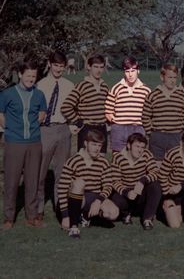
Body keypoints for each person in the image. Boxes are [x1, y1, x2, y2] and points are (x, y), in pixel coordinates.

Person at [0, 60, 47, 229]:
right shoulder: (8, 94)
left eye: (34, 76)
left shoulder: (39, 94)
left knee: (32, 181)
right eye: (28, 76)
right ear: (20, 74)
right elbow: (1, 113)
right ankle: (8, 218)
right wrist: (9, 128)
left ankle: (32, 216)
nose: (31, 79)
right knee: (11, 181)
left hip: (34, 143)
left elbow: (42, 113)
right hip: (14, 142)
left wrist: (35, 123)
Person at [57, 129, 119, 238]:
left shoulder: (103, 162)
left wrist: (98, 201)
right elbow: (62, 189)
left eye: (99, 146)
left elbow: (108, 185)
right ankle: (74, 226)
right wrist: (65, 215)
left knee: (113, 213)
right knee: (79, 182)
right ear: (85, 143)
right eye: (94, 144)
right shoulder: (73, 161)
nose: (97, 149)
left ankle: (86, 216)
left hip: (94, 196)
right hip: (76, 197)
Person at [36, 51, 75, 220]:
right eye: (55, 65)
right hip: (45, 130)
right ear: (49, 64)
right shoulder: (41, 84)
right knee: (40, 172)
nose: (58, 69)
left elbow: (75, 108)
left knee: (62, 172)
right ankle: (38, 209)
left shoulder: (69, 85)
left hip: (63, 129)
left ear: (65, 67)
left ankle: (61, 208)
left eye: (61, 66)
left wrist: (73, 125)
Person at [110, 133, 162, 230]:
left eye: (142, 147)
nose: (140, 150)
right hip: (126, 192)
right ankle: (126, 214)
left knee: (155, 185)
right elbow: (115, 181)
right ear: (128, 145)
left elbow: (155, 172)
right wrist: (126, 192)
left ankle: (147, 218)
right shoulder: (118, 157)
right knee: (116, 199)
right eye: (137, 146)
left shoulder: (146, 154)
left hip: (140, 190)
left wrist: (143, 180)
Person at [61, 54, 109, 153]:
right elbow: (66, 106)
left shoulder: (105, 86)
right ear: (88, 67)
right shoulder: (82, 86)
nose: (98, 70)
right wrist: (78, 121)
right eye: (95, 67)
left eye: (101, 67)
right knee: (85, 161)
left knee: (100, 161)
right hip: (88, 129)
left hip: (102, 129)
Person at [142, 64, 184, 160]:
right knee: (156, 163)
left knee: (175, 163)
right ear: (162, 77)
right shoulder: (153, 95)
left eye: (175, 77)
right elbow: (145, 116)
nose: (172, 80)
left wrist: (180, 129)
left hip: (175, 135)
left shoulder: (182, 95)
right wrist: (151, 133)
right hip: (158, 135)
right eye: (169, 77)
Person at [105, 56, 150, 152]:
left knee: (137, 161)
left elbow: (151, 113)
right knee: (118, 160)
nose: (130, 75)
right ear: (124, 72)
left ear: (138, 71)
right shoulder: (116, 88)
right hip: (119, 129)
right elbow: (108, 110)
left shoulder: (146, 90)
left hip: (138, 128)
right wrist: (115, 121)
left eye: (133, 71)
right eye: (127, 71)